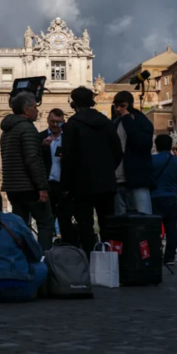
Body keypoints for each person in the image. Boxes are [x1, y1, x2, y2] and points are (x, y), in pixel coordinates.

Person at [61, 87, 123, 253]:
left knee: (85, 225)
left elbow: (67, 158)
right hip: (106, 182)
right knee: (107, 225)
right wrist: (109, 169)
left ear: (73, 103)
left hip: (81, 184)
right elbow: (118, 151)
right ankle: (110, 262)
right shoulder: (106, 122)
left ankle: (90, 261)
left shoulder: (72, 125)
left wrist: (66, 185)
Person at [0, 92, 54, 250]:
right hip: (29, 186)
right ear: (26, 110)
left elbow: (18, 153)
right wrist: (42, 186)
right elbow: (32, 160)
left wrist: (39, 145)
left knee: (20, 226)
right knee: (46, 223)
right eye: (35, 107)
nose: (37, 111)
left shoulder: (7, 131)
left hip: (12, 186)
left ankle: (20, 259)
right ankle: (43, 259)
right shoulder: (27, 128)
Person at [112, 91, 155, 215]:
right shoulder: (115, 123)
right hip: (118, 181)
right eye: (116, 106)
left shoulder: (142, 122)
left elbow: (142, 144)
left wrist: (127, 120)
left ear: (130, 105)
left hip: (138, 181)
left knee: (142, 220)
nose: (119, 109)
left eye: (122, 106)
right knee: (121, 224)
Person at [39, 109, 73, 244]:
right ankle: (46, 252)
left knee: (66, 220)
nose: (54, 125)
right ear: (47, 120)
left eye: (58, 122)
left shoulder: (68, 139)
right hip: (46, 185)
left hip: (64, 185)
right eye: (52, 121)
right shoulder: (40, 137)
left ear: (63, 122)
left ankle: (68, 250)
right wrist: (43, 148)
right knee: (46, 222)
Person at [150, 134, 177, 265]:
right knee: (171, 228)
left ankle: (154, 253)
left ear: (156, 145)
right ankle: (169, 257)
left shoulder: (152, 160)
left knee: (153, 229)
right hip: (172, 198)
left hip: (155, 197)